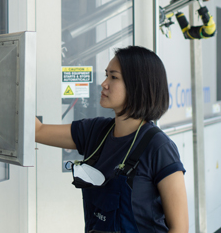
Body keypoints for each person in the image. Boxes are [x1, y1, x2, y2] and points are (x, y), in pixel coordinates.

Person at [35, 46, 188, 233]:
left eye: (113, 77)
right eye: (106, 75)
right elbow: (38, 131)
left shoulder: (159, 147)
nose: (104, 84)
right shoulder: (95, 131)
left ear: (137, 85)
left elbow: (179, 228)